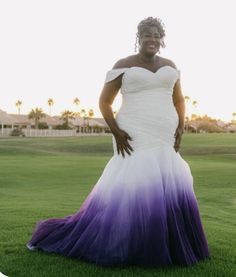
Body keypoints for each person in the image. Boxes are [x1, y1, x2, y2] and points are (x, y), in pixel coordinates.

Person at [26, 17, 210, 267]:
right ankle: (129, 243)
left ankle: (168, 242)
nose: (152, 39)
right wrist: (116, 132)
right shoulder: (123, 64)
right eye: (147, 34)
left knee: (168, 181)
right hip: (133, 132)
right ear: (139, 37)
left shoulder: (171, 65)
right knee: (134, 183)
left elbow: (179, 100)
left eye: (156, 35)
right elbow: (104, 102)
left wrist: (180, 127)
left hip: (164, 133)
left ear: (161, 39)